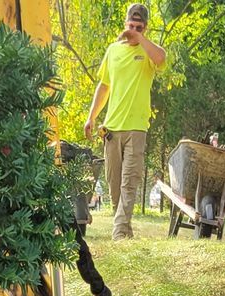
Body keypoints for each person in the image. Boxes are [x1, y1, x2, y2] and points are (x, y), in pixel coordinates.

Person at [84, 5, 166, 242]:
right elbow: (104, 85)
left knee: (130, 182)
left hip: (137, 128)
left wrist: (140, 39)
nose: (133, 30)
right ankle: (125, 230)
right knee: (114, 185)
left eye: (139, 28)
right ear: (125, 23)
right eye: (130, 26)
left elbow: (161, 58)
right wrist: (91, 117)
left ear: (145, 28)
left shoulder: (148, 52)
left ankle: (119, 233)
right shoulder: (113, 51)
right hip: (111, 128)